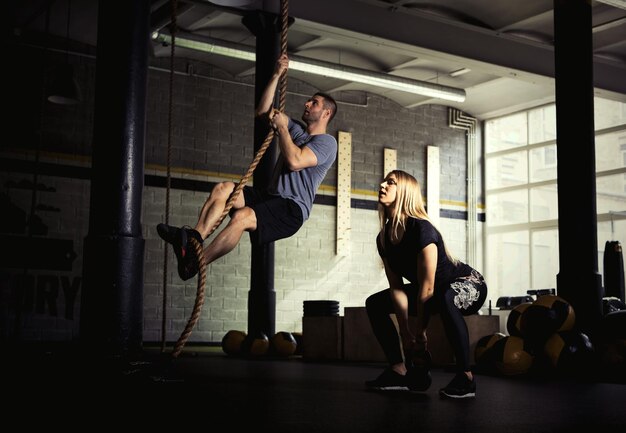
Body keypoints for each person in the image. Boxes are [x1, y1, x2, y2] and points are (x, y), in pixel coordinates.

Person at [157, 54, 338, 280]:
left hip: (291, 209)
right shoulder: (298, 131)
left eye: (314, 103)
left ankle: (195, 263)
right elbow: (263, 111)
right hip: (270, 197)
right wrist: (275, 75)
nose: (307, 104)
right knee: (224, 189)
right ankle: (193, 240)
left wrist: (282, 129)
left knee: (242, 217)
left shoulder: (327, 143)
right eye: (309, 101)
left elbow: (295, 162)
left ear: (326, 113)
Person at [365, 170, 487, 399]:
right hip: (432, 290)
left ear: (406, 193)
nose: (382, 185)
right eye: (384, 181)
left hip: (467, 283)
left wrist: (420, 333)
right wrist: (405, 333)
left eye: (391, 182)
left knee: (444, 296)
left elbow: (428, 288)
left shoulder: (422, 229)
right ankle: (398, 370)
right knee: (375, 303)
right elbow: (397, 289)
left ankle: (466, 377)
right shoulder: (383, 238)